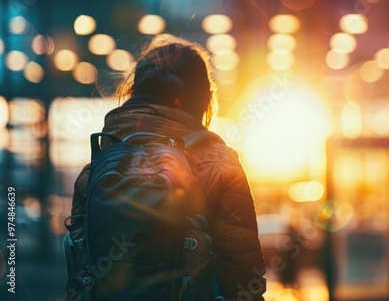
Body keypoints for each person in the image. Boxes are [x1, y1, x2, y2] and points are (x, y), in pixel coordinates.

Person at [70, 35, 266, 300]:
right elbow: (243, 281)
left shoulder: (95, 171)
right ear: (203, 99)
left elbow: (79, 273)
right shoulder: (220, 166)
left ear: (134, 94)